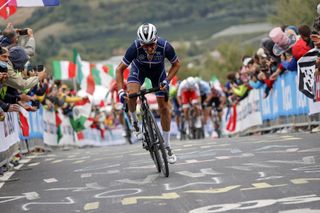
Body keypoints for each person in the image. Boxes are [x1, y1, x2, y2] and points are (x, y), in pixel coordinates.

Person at [116, 23, 180, 164]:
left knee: (164, 108)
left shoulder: (165, 46)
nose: (149, 48)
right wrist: (121, 91)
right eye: (145, 46)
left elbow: (177, 64)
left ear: (156, 39)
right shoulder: (135, 47)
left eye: (152, 44)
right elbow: (119, 70)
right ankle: (135, 122)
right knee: (132, 93)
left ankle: (167, 145)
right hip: (139, 71)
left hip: (158, 74)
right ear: (140, 43)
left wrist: (167, 81)